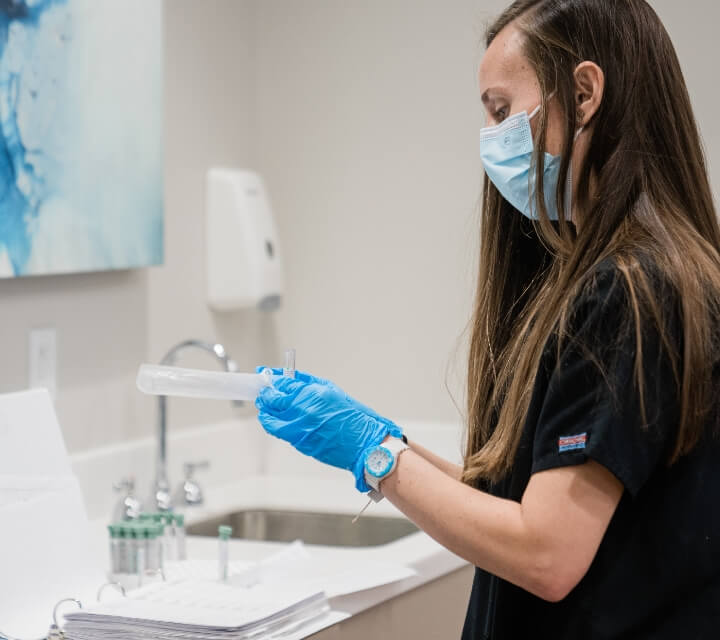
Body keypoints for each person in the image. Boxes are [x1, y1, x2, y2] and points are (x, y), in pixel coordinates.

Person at [255, 0, 720, 637]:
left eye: (501, 110)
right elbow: (526, 504)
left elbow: (547, 552)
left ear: (583, 94)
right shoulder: (655, 271)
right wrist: (388, 443)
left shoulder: (630, 289)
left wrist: (376, 455)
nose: (490, 138)